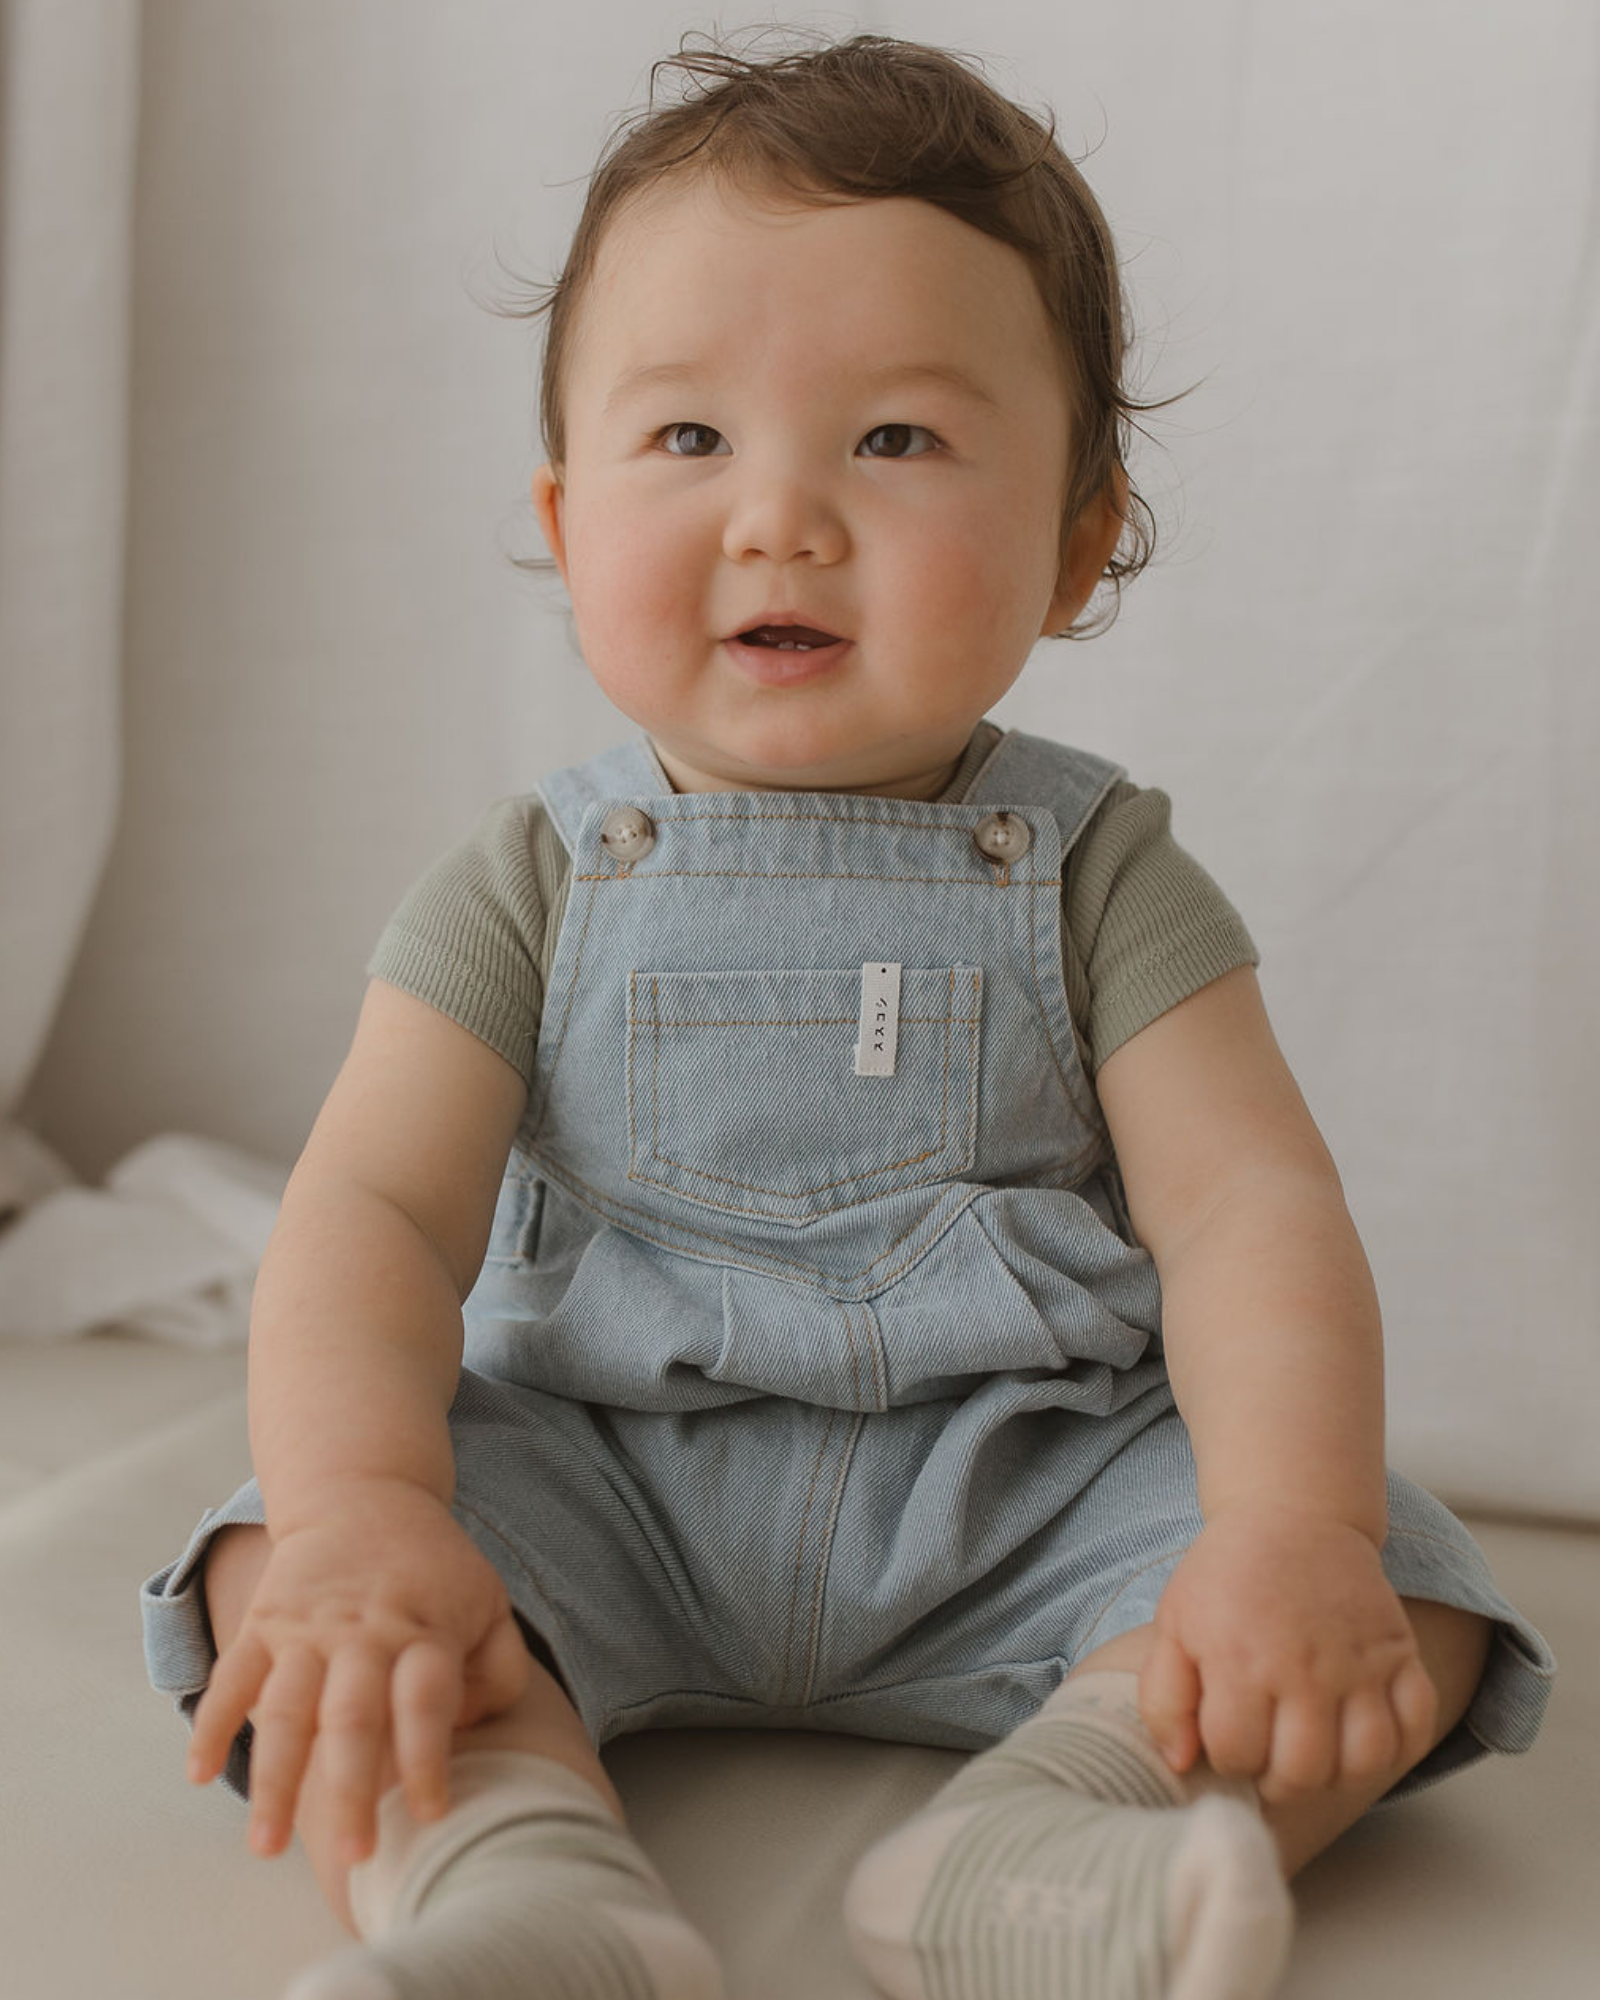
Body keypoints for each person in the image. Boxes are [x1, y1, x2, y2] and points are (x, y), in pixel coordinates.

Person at [139, 27, 1555, 2000]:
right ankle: (523, 1885)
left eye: (891, 439)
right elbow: (371, 1216)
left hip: (1019, 1477)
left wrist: (1285, 1524)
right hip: (601, 1474)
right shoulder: (525, 882)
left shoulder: (1098, 873)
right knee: (279, 1580)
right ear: (563, 518)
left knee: (1406, 1598)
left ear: (1074, 540)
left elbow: (1244, 1214)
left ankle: (1046, 1839)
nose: (780, 516)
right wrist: (373, 1512)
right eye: (688, 438)